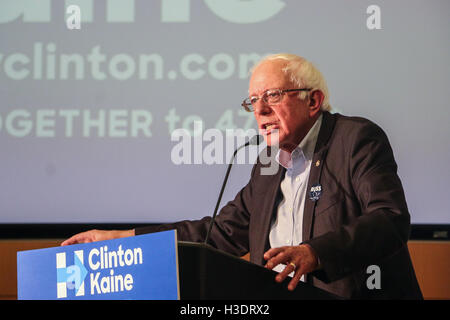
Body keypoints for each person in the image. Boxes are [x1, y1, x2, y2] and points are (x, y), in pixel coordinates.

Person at [62, 53, 423, 299]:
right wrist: (119, 238)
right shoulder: (267, 166)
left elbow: (389, 219)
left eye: (273, 95)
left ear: (313, 101)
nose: (260, 109)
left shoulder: (354, 139)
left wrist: (315, 252)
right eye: (253, 101)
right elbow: (215, 235)